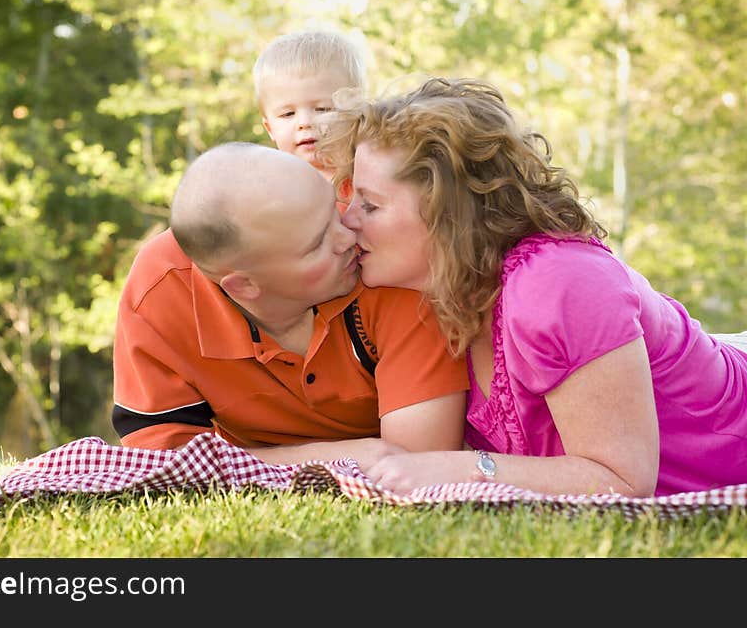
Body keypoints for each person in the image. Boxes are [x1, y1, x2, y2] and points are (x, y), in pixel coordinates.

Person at [317, 76, 747, 497]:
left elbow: (623, 480)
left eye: (370, 204)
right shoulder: (437, 295)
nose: (348, 218)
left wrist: (463, 469)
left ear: (448, 214)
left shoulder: (559, 283)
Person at [111, 142, 469, 467]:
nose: (349, 236)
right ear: (245, 285)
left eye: (334, 210)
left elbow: (417, 464)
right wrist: (330, 457)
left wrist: (241, 462)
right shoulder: (160, 291)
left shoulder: (384, 263)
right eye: (316, 245)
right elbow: (159, 462)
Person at [253, 30, 366, 183]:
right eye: (288, 114)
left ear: (356, 113)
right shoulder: (272, 190)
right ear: (270, 128)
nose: (305, 122)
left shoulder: (371, 177)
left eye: (323, 109)